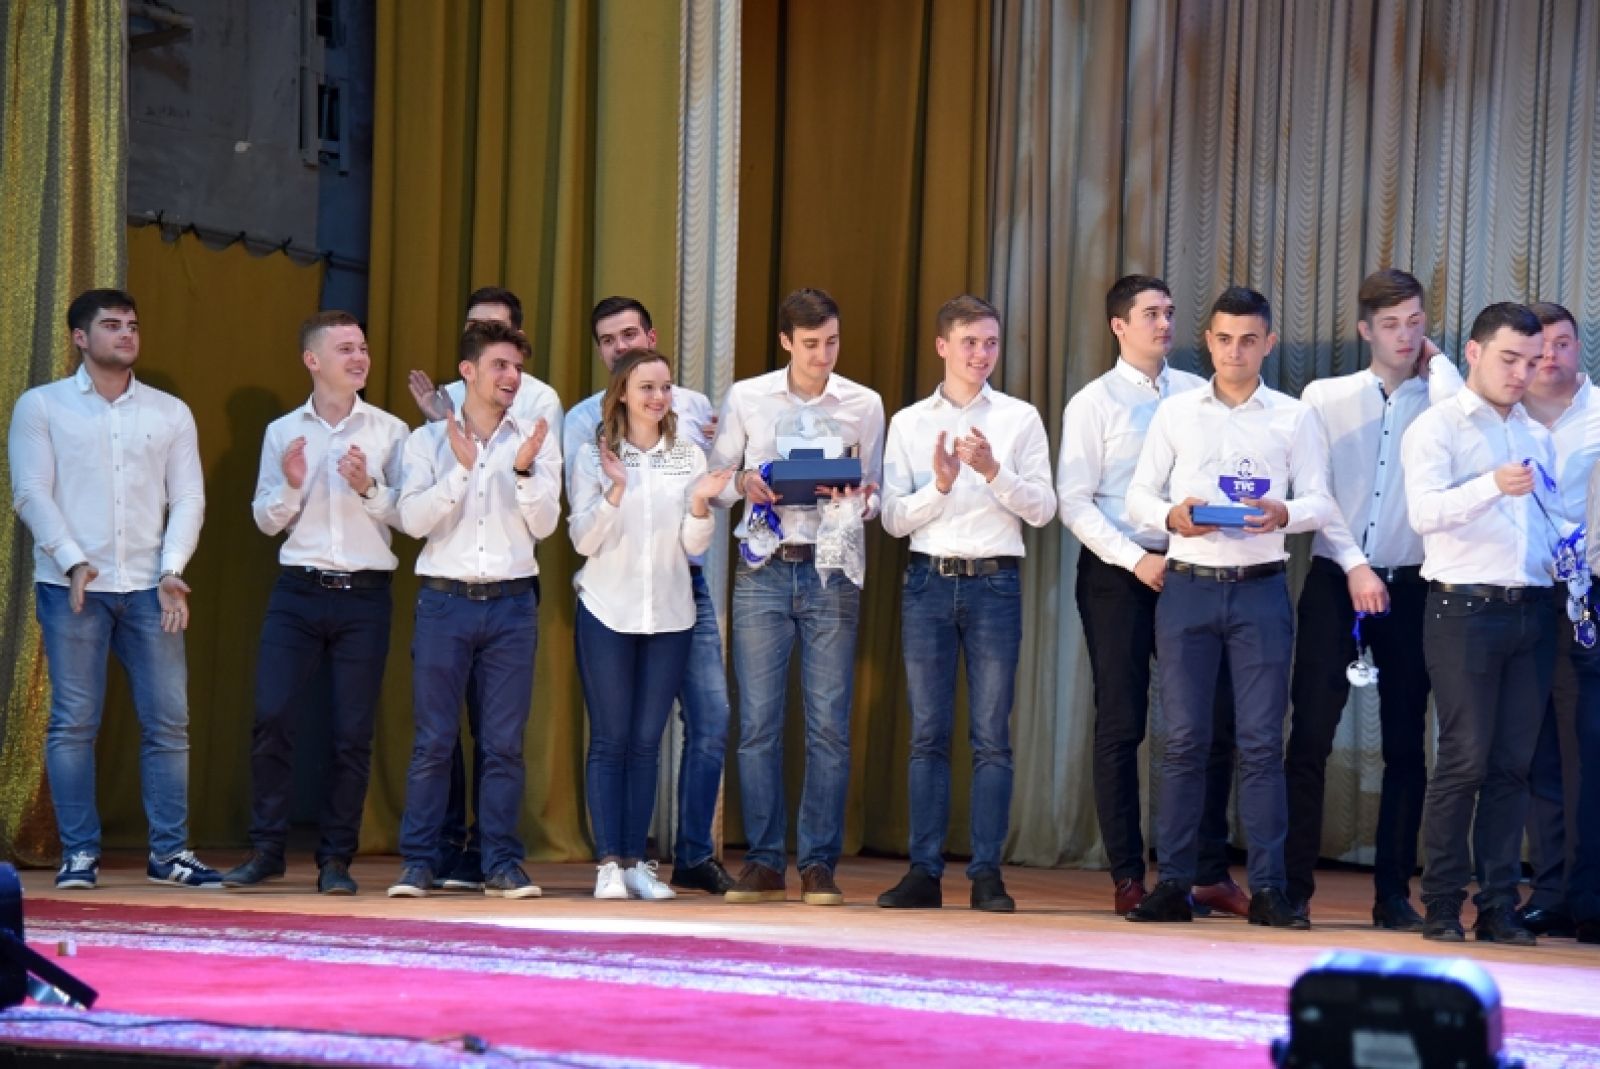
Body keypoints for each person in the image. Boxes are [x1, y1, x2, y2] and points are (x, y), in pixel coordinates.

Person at [1125, 286, 1335, 928]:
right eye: (1223, 339)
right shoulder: (1177, 413)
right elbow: (1137, 496)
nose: (1234, 351)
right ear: (1209, 341)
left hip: (1260, 589)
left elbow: (1321, 502)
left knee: (1262, 743)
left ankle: (1269, 889)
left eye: (1248, 340)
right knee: (1184, 741)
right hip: (1188, 587)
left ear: (1268, 343)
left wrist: (1283, 512)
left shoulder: (1294, 417)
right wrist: (1172, 515)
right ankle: (1174, 883)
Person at [8, 288, 221, 889]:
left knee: (169, 723)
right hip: (71, 588)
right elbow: (30, 492)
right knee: (74, 722)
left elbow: (188, 497)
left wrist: (173, 567)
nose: (126, 333)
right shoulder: (42, 406)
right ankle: (79, 853)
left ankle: (170, 854)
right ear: (80, 338)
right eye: (111, 325)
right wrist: (73, 561)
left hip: (153, 589)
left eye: (132, 324)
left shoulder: (169, 412)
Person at [1057, 274, 1251, 918]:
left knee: (1209, 721)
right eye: (1150, 314)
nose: (1165, 323)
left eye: (1169, 312)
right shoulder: (1093, 403)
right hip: (1118, 574)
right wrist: (1135, 558)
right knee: (1122, 722)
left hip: (1195, 569)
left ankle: (1205, 870)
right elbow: (1074, 502)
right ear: (1119, 325)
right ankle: (1126, 874)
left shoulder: (1199, 391)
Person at [1282, 269, 1463, 928]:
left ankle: (1392, 894)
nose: (1404, 335)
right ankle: (1291, 888)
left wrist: (1440, 365)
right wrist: (1357, 565)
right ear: (1365, 329)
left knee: (1407, 746)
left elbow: (1467, 425)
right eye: (1390, 324)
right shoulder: (1323, 397)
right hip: (1336, 580)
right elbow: (1315, 492)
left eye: (1415, 322)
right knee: (1310, 737)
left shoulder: (1443, 402)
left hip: (1413, 587)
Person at [875, 296, 1055, 912]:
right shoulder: (908, 423)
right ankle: (923, 872)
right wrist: (942, 485)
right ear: (942, 346)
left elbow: (1044, 509)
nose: (982, 354)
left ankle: (986, 875)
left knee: (991, 736)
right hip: (928, 581)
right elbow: (893, 518)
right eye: (970, 342)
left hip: (995, 583)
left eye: (991, 343)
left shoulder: (1019, 418)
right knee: (927, 733)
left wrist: (994, 470)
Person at [221, 311, 407, 895]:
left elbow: (410, 516)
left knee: (351, 733)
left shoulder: (390, 431)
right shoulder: (283, 432)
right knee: (273, 717)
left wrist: (368, 487)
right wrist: (292, 483)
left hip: (365, 597)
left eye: (363, 347)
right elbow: (265, 520)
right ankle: (267, 850)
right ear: (313, 360)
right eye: (345, 348)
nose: (360, 357)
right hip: (297, 593)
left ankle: (336, 861)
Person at [709, 288, 885, 906]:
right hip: (764, 566)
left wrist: (859, 499)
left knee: (829, 725)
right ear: (786, 341)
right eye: (810, 344)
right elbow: (715, 479)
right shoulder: (748, 397)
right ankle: (763, 860)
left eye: (832, 342)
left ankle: (817, 863)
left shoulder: (864, 403)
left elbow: (876, 492)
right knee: (758, 722)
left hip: (831, 567)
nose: (823, 355)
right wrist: (744, 482)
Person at [563, 297, 733, 895]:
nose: (658, 397)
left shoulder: (688, 455)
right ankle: (609, 863)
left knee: (646, 742)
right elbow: (582, 539)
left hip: (671, 612)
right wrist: (614, 491)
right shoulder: (594, 454)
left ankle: (637, 864)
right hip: (606, 609)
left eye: (664, 387)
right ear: (621, 394)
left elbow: (693, 544)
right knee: (610, 739)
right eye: (646, 388)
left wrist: (699, 504)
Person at [1402, 302, 1558, 944]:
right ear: (1473, 352)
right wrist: (1491, 484)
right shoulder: (1437, 428)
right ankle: (1442, 903)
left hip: (1533, 610)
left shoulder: (1536, 434)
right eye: (1509, 359)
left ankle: (1498, 904)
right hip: (1462, 609)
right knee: (1463, 759)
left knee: (1512, 766)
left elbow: (1544, 520)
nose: (1522, 373)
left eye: (1532, 361)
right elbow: (1422, 514)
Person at [389, 320, 560, 899]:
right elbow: (413, 521)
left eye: (517, 368)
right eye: (500, 366)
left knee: (503, 744)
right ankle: (419, 862)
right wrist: (461, 469)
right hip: (445, 601)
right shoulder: (426, 442)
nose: (512, 377)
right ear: (467, 371)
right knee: (434, 741)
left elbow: (545, 525)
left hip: (512, 605)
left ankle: (501, 863)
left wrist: (524, 470)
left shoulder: (533, 438)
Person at [1510, 302, 1599, 937]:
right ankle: (1549, 890)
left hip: (1587, 597)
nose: (1549, 356)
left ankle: (1588, 894)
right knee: (1534, 746)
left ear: (1577, 347)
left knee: (1585, 747)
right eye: (1538, 346)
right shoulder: (1503, 420)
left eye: (1561, 343)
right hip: (1519, 595)